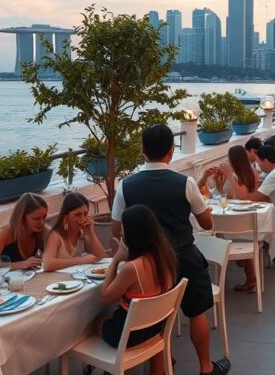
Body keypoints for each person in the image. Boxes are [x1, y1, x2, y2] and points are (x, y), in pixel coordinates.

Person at [111, 125, 229, 375]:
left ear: (142, 151)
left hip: (145, 266)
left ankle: (163, 357)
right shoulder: (185, 183)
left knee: (153, 312)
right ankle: (206, 368)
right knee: (196, 311)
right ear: (171, 151)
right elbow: (207, 223)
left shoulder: (126, 186)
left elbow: (115, 229)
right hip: (183, 257)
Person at [96, 204, 177, 375]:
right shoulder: (166, 255)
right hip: (155, 329)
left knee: (96, 321)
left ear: (133, 233)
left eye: (124, 229)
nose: (122, 234)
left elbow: (105, 296)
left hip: (130, 336)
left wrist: (116, 259)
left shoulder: (132, 268)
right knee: (113, 316)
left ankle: (111, 369)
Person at [236, 145, 275, 270]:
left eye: (258, 162)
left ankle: (247, 260)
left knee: (247, 230)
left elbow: (254, 198)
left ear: (265, 160)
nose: (258, 166)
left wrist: (233, 182)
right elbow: (264, 193)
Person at [43, 191, 108, 272]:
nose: (83, 219)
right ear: (66, 216)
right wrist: (81, 260)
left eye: (85, 214)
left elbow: (102, 256)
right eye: (78, 215)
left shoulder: (82, 233)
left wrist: (91, 232)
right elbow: (47, 264)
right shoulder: (55, 235)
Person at [0, 192, 46, 271]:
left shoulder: (42, 231)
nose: (42, 222)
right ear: (21, 218)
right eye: (36, 219)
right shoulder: (7, 233)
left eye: (44, 217)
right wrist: (20, 264)